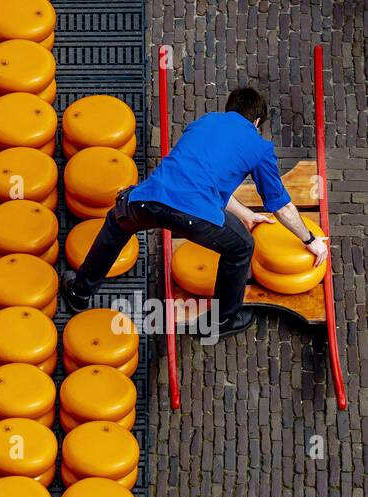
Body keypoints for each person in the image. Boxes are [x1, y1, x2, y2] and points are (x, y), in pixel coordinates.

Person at [60, 86, 329, 337]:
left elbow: (202, 178)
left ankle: (79, 292)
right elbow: (280, 206)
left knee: (116, 225)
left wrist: (245, 214)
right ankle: (223, 320)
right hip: (196, 217)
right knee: (241, 247)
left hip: (149, 200)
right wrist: (309, 240)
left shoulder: (205, 123)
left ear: (229, 109)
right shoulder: (259, 147)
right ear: (257, 122)